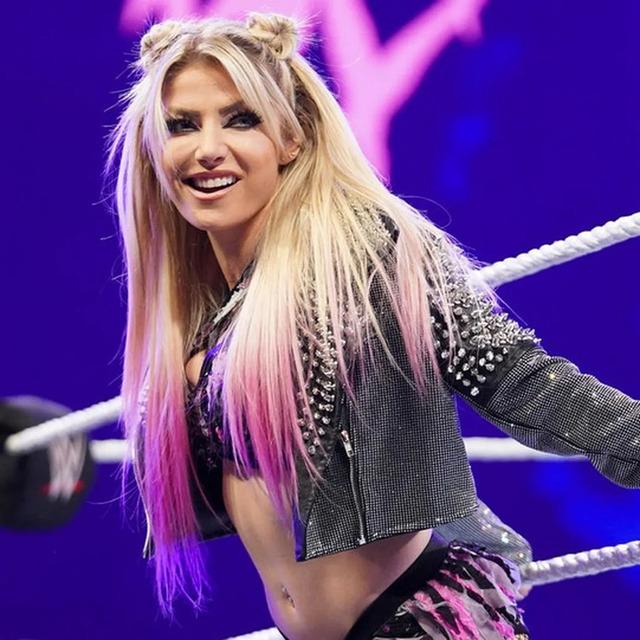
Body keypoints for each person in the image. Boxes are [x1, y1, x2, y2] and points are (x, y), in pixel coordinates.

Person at [108, 12, 640, 640]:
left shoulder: (364, 254)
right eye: (182, 124)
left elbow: (513, 377)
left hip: (421, 622)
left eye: (240, 119)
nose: (207, 148)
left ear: (291, 138)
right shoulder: (201, 311)